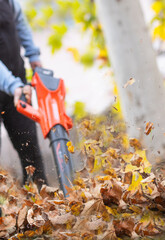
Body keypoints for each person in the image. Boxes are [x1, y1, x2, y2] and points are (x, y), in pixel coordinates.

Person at [0, 0, 47, 186]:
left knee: (32, 156)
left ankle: (44, 208)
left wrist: (33, 55)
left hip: (17, 91)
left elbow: (18, 20)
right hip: (15, 86)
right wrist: (13, 85)